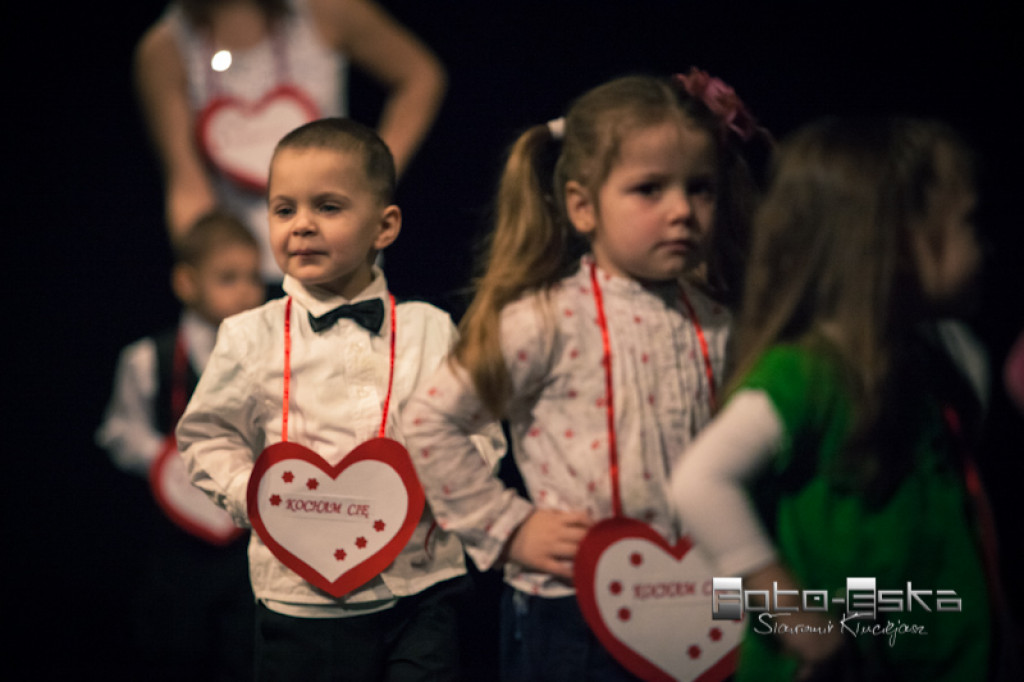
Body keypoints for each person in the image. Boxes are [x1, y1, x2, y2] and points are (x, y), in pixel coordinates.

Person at [401, 72, 770, 680]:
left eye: (699, 189)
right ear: (581, 206)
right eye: (649, 189)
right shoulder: (544, 319)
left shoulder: (724, 325)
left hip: (703, 596)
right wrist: (509, 526)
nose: (681, 210)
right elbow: (429, 420)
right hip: (573, 609)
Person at [670, 117, 1006, 681]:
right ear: (893, 243)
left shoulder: (918, 365)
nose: (987, 245)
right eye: (969, 222)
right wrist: (795, 616)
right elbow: (700, 481)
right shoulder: (808, 374)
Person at [176, 118, 497, 681]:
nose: (301, 226)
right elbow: (208, 434)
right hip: (303, 599)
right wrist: (255, 499)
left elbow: (479, 431)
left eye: (327, 207)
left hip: (423, 584)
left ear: (384, 225)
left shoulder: (430, 328)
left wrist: (441, 484)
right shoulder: (249, 335)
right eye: (284, 210)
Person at [134, 0, 447, 287]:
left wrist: (372, 177)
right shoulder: (167, 49)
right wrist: (210, 272)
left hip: (336, 260)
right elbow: (187, 183)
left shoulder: (325, 11)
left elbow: (420, 76)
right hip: (247, 278)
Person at [96, 209, 264, 679]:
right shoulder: (150, 357)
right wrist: (165, 461)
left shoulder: (269, 356)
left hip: (246, 545)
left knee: (243, 649)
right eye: (228, 278)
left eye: (253, 276)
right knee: (176, 648)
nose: (247, 291)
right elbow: (119, 431)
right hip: (175, 546)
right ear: (187, 282)